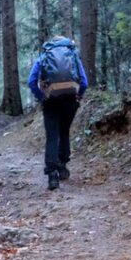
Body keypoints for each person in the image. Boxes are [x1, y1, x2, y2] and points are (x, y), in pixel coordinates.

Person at [27, 36, 89, 190]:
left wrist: (42, 97)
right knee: (64, 132)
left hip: (51, 102)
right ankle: (63, 166)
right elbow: (84, 82)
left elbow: (31, 82)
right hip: (70, 100)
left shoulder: (43, 56)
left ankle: (52, 175)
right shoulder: (73, 55)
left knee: (52, 136)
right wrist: (78, 95)